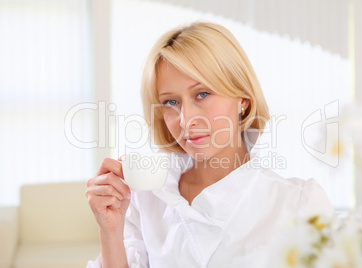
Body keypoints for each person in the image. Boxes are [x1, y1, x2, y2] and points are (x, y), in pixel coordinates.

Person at [86, 22, 333, 268]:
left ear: (243, 100)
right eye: (171, 101)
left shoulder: (299, 203)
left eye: (202, 94)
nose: (186, 119)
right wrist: (110, 231)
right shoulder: (146, 200)